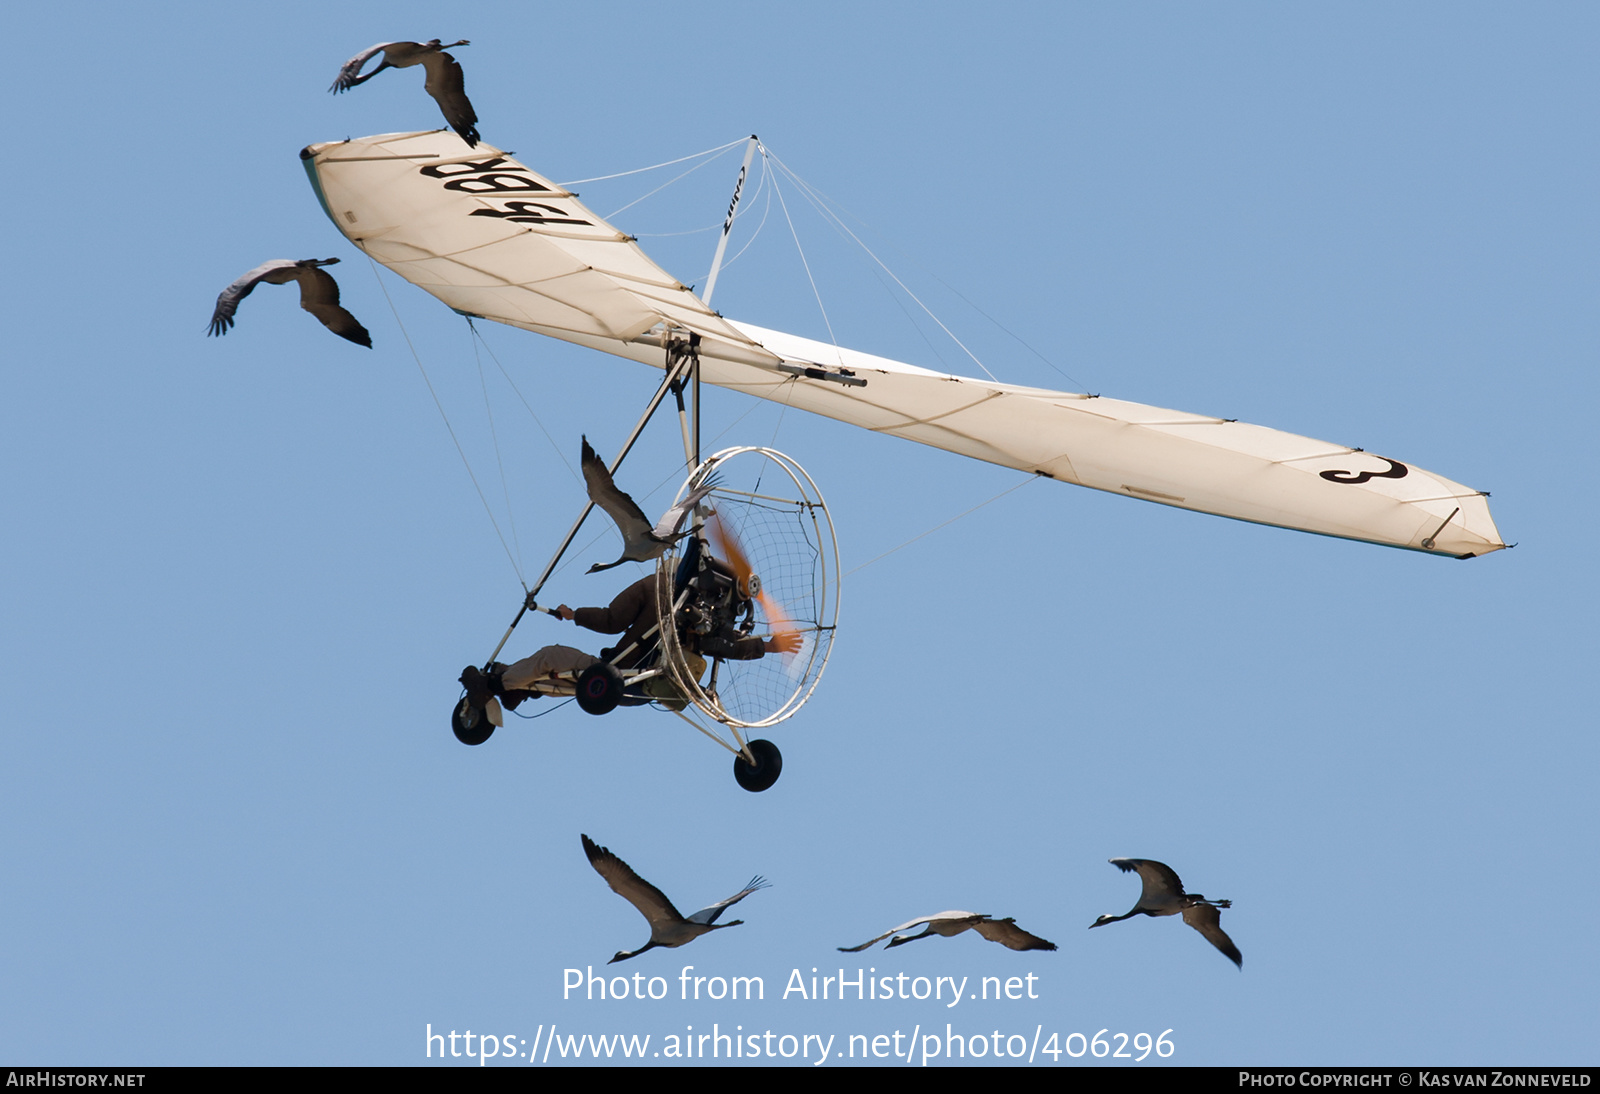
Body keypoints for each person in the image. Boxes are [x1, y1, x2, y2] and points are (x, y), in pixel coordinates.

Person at [458, 572, 797, 711]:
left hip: (616, 676)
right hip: (637, 688)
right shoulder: (703, 622)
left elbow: (612, 620)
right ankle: (519, 688)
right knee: (569, 676)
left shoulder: (657, 585)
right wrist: (766, 646)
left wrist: (575, 614)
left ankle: (494, 684)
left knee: (552, 655)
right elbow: (726, 645)